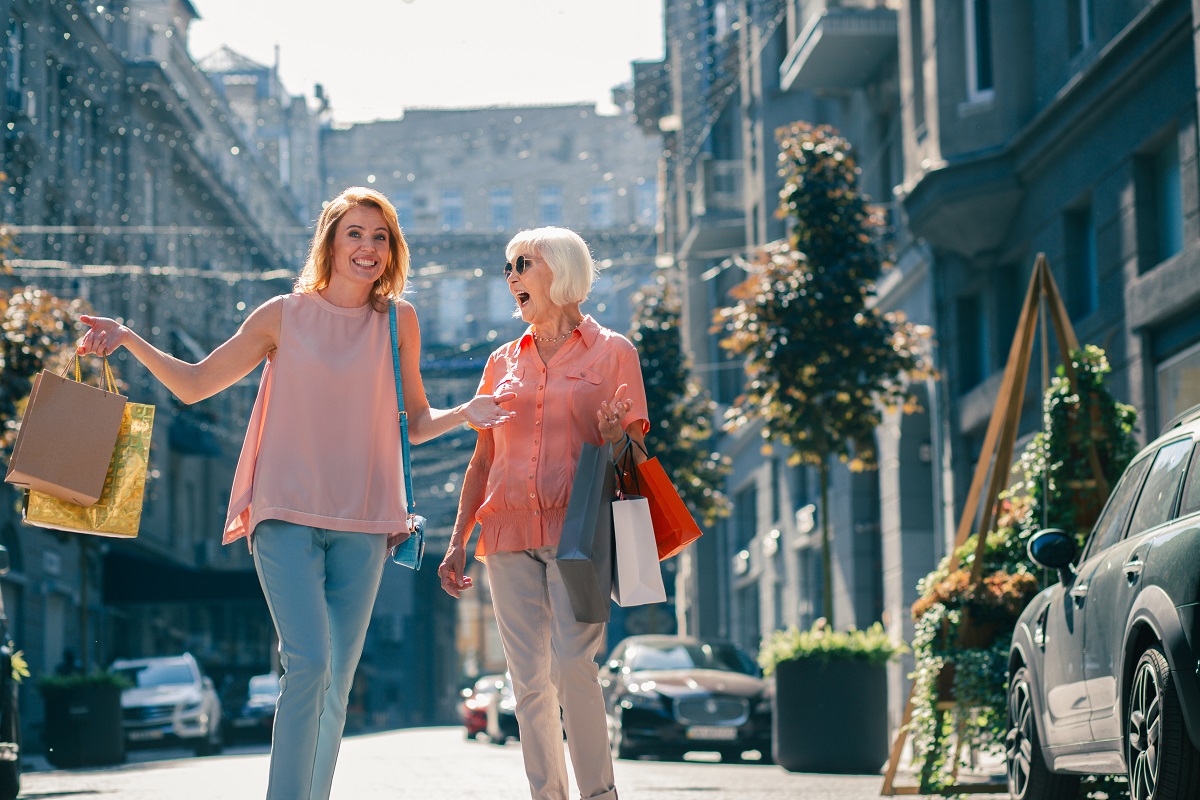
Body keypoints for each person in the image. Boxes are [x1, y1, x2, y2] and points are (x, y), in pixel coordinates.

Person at [76, 186, 514, 800]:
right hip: (283, 514)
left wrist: (466, 411)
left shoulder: (398, 322)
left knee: (336, 681)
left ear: (392, 251)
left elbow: (413, 422)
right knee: (307, 662)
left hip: (365, 520)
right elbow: (197, 385)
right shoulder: (282, 314)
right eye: (355, 233)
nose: (367, 247)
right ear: (330, 240)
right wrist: (127, 338)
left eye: (380, 236)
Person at [439, 227, 649, 800]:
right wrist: (458, 540)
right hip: (504, 533)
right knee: (528, 680)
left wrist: (612, 439)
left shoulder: (613, 352)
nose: (511, 277)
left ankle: (598, 793)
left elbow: (637, 457)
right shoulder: (502, 361)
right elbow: (482, 459)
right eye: (507, 266)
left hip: (577, 533)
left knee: (574, 666)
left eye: (521, 265)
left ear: (558, 271)